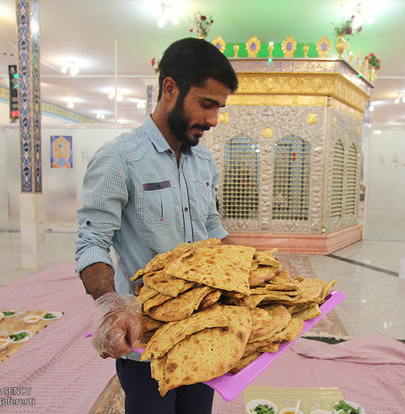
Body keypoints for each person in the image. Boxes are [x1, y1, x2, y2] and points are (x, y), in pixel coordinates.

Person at [75, 37, 239, 414]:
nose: (213, 119)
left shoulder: (203, 162)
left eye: (220, 107)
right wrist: (110, 306)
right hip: (147, 339)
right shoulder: (119, 159)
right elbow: (92, 242)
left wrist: (253, 270)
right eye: (206, 104)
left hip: (202, 330)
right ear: (170, 89)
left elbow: (212, 225)